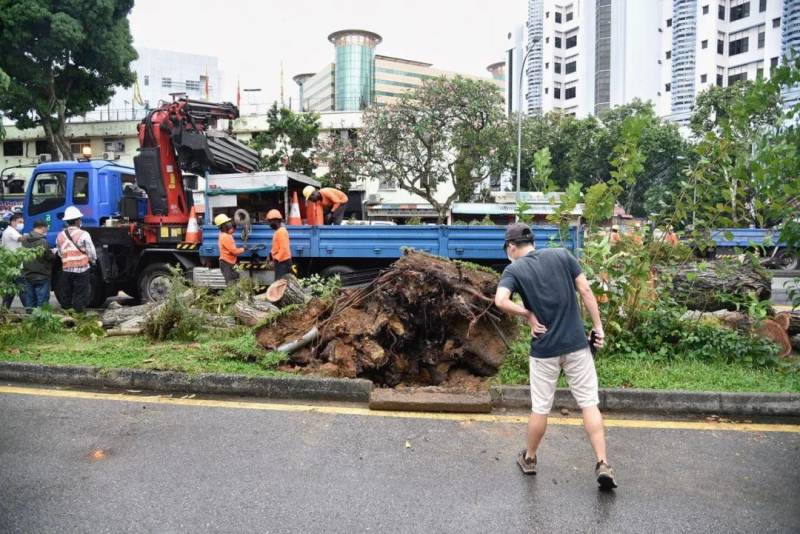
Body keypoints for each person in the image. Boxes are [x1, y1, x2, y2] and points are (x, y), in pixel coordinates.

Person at [494, 223, 617, 490]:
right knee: (588, 404)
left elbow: (500, 301)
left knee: (540, 407)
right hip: (576, 345)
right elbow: (585, 291)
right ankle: (603, 463)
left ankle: (530, 459)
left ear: (512, 247)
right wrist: (598, 328)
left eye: (508, 249)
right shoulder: (562, 255)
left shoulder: (513, 269)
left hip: (544, 349)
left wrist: (527, 314)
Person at [56, 206, 96, 312]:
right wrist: (93, 260)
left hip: (66, 270)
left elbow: (60, 253)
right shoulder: (84, 234)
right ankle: (78, 317)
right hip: (82, 270)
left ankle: (68, 317)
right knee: (80, 294)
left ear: (67, 222)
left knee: (67, 294)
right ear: (78, 221)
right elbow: (91, 252)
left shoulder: (60, 235)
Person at [21, 219, 54, 311]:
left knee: (30, 302)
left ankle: (29, 322)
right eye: (46, 228)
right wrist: (53, 253)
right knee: (42, 303)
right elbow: (48, 257)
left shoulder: (24, 240)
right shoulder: (43, 241)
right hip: (41, 275)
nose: (47, 230)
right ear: (43, 227)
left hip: (27, 274)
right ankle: (40, 323)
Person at [1, 213, 27, 308]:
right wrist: (33, 235)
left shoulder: (11, 231)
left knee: (10, 291)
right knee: (23, 290)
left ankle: (4, 311)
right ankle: (30, 312)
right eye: (20, 222)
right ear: (12, 222)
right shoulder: (10, 231)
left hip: (11, 266)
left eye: (22, 222)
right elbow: (20, 239)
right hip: (15, 267)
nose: (22, 224)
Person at [215, 213, 246, 286]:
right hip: (227, 263)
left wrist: (235, 224)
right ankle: (234, 297)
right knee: (231, 284)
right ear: (224, 225)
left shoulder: (223, 234)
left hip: (228, 262)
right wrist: (243, 249)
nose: (230, 224)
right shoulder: (226, 237)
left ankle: (235, 296)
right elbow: (235, 251)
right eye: (228, 223)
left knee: (234, 281)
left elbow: (231, 232)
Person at [267, 209, 293, 279]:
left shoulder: (281, 232)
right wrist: (270, 256)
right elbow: (276, 247)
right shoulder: (278, 231)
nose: (269, 224)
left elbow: (284, 249)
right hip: (281, 262)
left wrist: (275, 260)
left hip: (283, 263)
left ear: (276, 220)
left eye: (270, 221)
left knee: (280, 284)